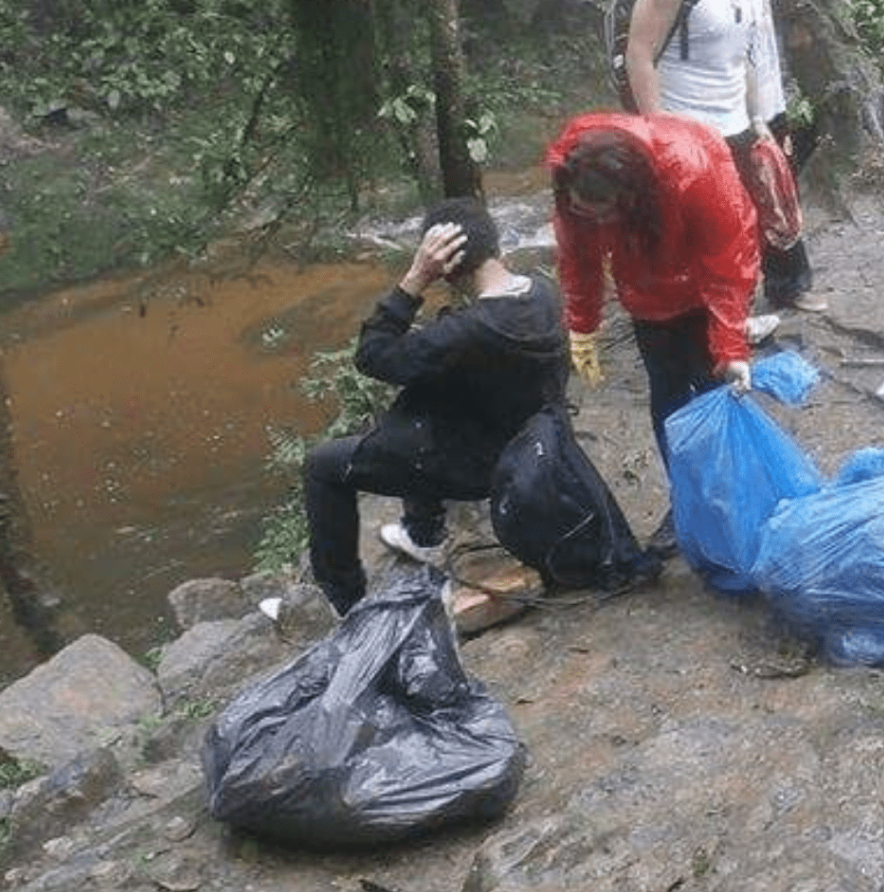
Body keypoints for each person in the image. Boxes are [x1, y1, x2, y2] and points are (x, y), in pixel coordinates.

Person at [302, 196, 570, 616]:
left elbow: (372, 355)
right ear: (495, 245)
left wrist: (415, 278)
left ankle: (345, 599)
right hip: (532, 445)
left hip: (480, 467)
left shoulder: (465, 333)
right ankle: (423, 533)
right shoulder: (542, 292)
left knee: (322, 465)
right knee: (419, 397)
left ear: (444, 263)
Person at [546, 111, 759, 555]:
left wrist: (731, 346)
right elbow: (578, 256)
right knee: (666, 391)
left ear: (631, 196)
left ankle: (734, 498)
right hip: (644, 292)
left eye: (603, 215)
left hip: (700, 287)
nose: (596, 225)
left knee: (712, 390)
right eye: (587, 214)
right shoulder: (576, 176)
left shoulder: (697, 172)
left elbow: (728, 264)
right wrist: (582, 326)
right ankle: (687, 499)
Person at [625, 0, 826, 313]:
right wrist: (659, 132)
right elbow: (639, 56)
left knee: (764, 214)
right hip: (688, 130)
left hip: (737, 123)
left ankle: (765, 298)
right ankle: (714, 318)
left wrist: (758, 119)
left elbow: (741, 60)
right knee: (711, 234)